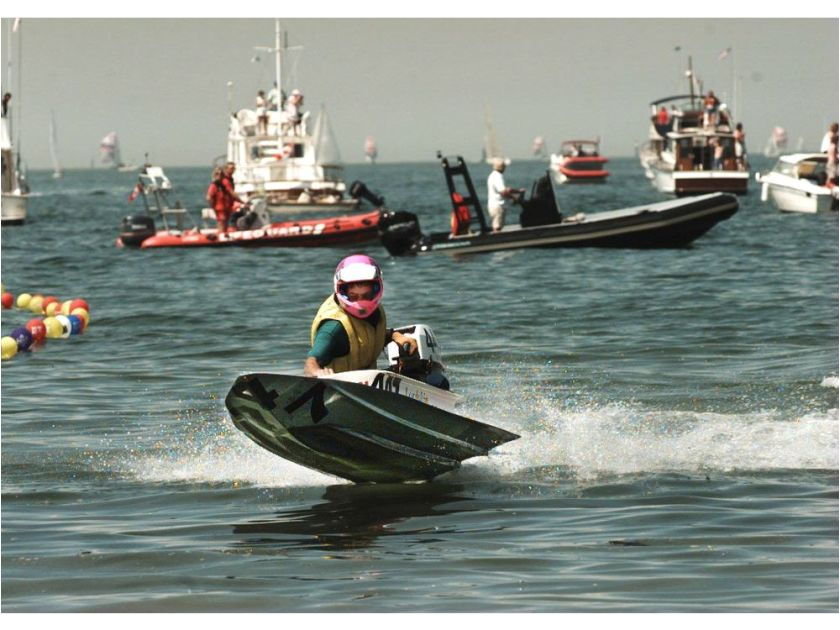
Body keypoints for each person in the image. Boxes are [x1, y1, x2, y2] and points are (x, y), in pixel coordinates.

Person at [304, 254, 417, 377]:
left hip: (369, 383)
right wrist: (317, 372)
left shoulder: (375, 311)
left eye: (366, 296)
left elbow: (364, 337)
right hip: (340, 387)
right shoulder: (333, 327)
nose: (361, 303)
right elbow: (311, 362)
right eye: (354, 297)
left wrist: (396, 336)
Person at [486, 158, 523, 233]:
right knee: (497, 228)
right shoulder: (498, 177)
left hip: (493, 206)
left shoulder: (492, 175)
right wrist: (514, 198)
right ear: (502, 167)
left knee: (496, 225)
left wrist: (518, 191)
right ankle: (496, 242)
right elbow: (503, 192)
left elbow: (505, 189)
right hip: (498, 206)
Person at [206, 164, 242, 233]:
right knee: (222, 224)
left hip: (226, 207)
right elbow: (209, 197)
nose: (219, 176)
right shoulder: (214, 185)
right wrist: (213, 206)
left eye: (221, 174)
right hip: (220, 208)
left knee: (225, 224)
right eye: (217, 174)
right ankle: (221, 236)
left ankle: (224, 234)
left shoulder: (222, 185)